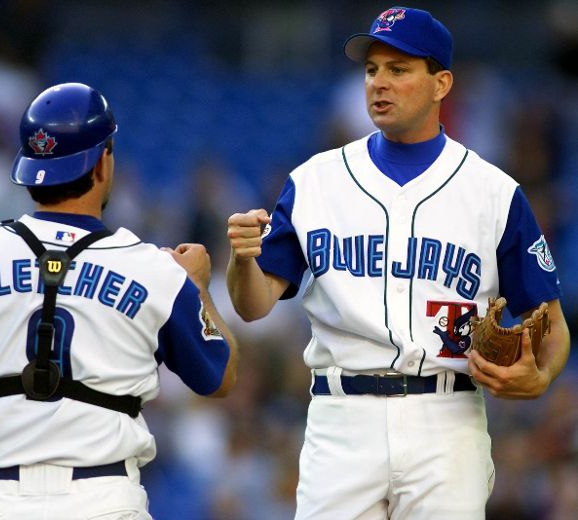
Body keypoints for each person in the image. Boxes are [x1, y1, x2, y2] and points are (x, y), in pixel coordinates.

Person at [226, 6, 570, 519]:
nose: (378, 83)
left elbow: (553, 327)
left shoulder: (494, 193)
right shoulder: (316, 181)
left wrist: (539, 378)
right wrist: (242, 261)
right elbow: (253, 305)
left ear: (441, 83)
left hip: (446, 416)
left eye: (399, 69)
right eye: (371, 70)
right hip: (342, 418)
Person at [0, 82, 238, 519]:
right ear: (101, 163)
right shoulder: (154, 270)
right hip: (102, 496)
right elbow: (220, 377)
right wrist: (197, 288)